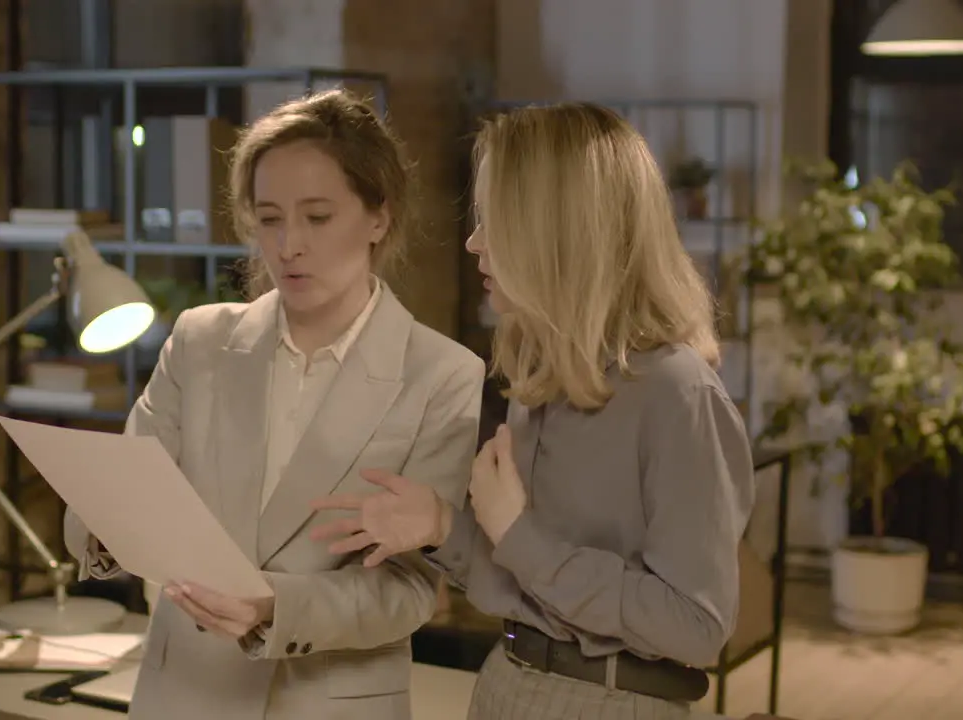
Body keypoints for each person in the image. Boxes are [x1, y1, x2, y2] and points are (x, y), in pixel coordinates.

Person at [310, 102, 755, 719]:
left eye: (495, 220)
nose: (473, 243)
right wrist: (442, 528)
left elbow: (696, 626)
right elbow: (527, 586)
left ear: (559, 232)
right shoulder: (542, 375)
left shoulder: (675, 393)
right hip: (509, 684)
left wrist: (519, 534)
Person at [62, 88, 485, 720]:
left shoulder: (442, 375)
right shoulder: (200, 341)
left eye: (317, 218)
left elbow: (410, 590)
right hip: (187, 697)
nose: (289, 244)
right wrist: (107, 521)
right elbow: (110, 503)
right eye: (269, 218)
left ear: (379, 217)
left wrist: (273, 606)